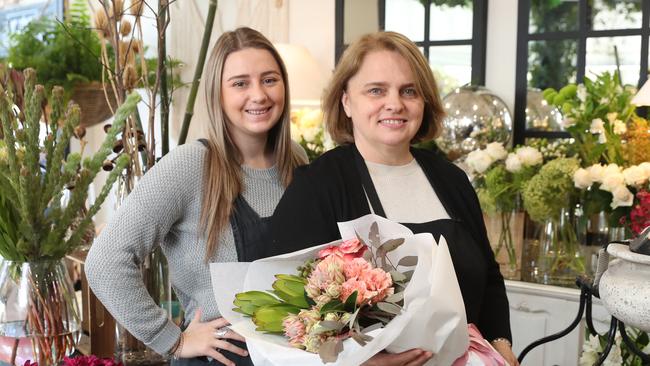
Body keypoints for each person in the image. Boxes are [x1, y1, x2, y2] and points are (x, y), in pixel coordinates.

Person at [268, 31, 519, 366]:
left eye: (409, 91)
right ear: (346, 101)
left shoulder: (452, 180)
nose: (395, 103)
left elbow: (488, 277)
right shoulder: (317, 186)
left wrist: (501, 345)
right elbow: (282, 309)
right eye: (376, 90)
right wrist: (354, 362)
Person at [85, 27, 307, 365]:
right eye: (240, 83)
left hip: (292, 356)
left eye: (269, 79)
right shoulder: (190, 166)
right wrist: (172, 340)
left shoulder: (296, 159)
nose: (258, 95)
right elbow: (104, 261)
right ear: (217, 94)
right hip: (220, 359)